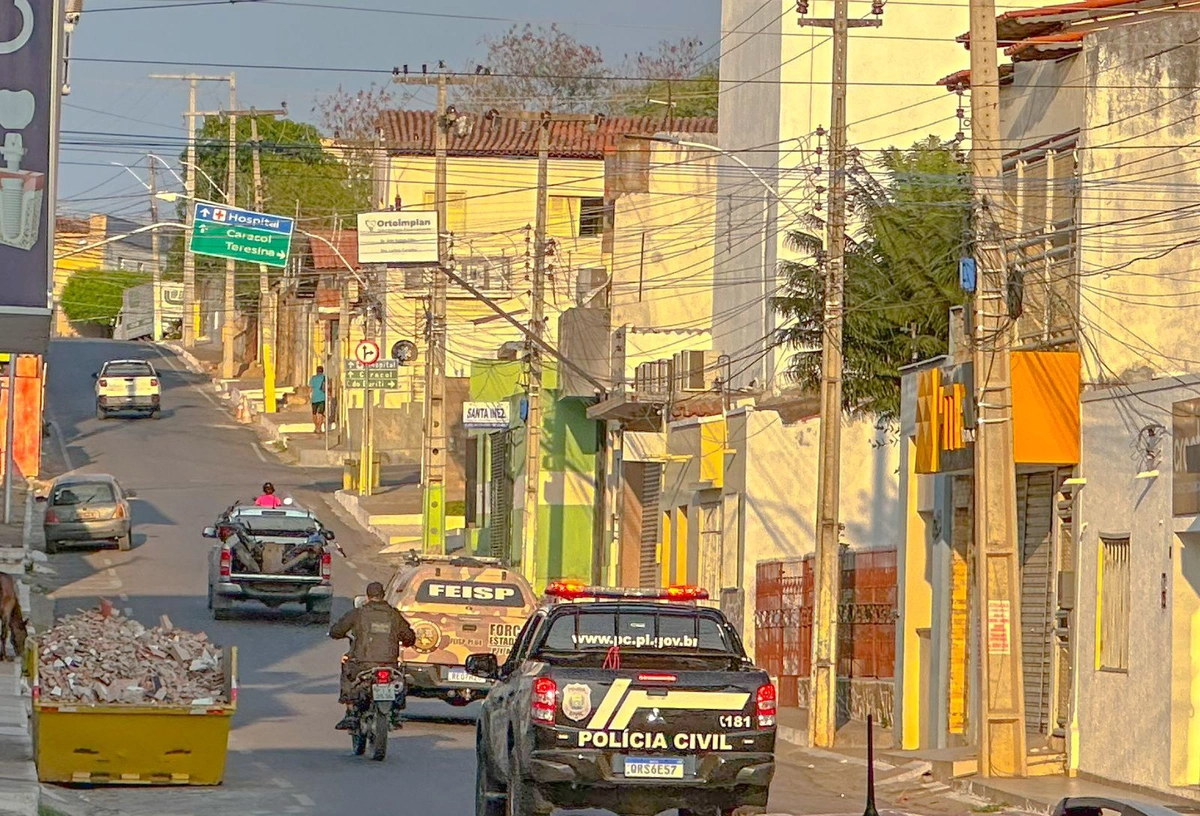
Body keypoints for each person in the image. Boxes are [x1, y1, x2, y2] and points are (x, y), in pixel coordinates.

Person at [329, 581, 415, 730]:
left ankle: (350, 713)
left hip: (362, 664)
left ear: (368, 597)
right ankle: (394, 713)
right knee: (400, 679)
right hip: (389, 664)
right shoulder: (394, 615)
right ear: (383, 596)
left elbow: (337, 630)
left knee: (347, 667)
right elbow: (409, 637)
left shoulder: (358, 613)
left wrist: (336, 633)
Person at [310, 365, 327, 434]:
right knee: (320, 413)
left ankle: (316, 427)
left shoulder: (313, 378)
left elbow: (311, 387)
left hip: (314, 398)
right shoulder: (325, 378)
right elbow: (328, 387)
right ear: (322, 371)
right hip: (322, 398)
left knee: (314, 413)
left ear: (317, 371)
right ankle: (319, 428)